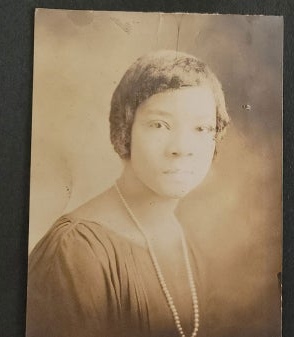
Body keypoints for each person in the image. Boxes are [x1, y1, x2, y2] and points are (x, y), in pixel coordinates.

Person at [26, 50, 230, 337]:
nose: (182, 148)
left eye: (201, 128)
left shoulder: (189, 245)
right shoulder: (75, 251)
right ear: (125, 131)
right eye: (159, 124)